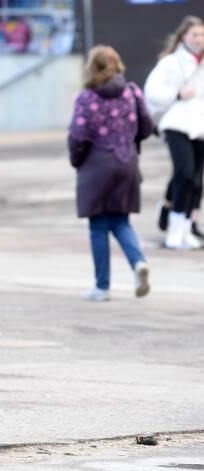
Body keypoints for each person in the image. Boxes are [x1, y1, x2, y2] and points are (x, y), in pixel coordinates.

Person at [68, 45, 154, 302]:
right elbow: (147, 126)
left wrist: (77, 162)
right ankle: (138, 262)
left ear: (92, 67)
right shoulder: (132, 92)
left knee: (98, 226)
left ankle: (102, 286)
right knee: (121, 220)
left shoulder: (86, 98)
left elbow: (76, 137)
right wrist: (127, 139)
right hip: (127, 163)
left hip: (96, 168)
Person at [145, 15, 204, 250]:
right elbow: (152, 91)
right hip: (177, 124)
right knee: (185, 173)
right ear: (183, 37)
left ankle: (186, 227)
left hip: (200, 126)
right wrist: (177, 94)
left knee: (196, 180)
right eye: (194, 35)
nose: (199, 39)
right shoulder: (171, 62)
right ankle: (173, 226)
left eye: (202, 35)